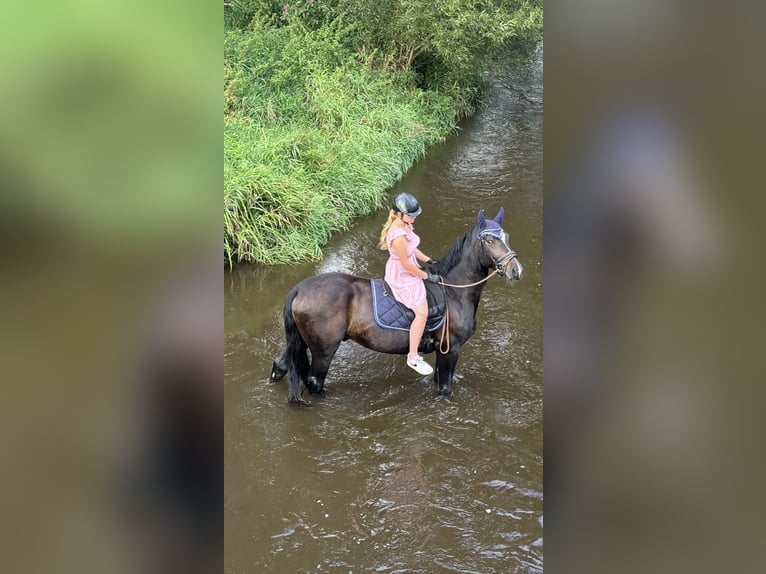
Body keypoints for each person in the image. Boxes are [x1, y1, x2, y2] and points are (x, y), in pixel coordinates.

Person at [378, 192, 440, 375]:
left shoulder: (406, 225)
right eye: (411, 215)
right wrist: (426, 276)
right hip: (403, 275)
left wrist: (429, 260)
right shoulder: (397, 235)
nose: (414, 218)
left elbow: (412, 249)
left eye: (414, 215)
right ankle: (413, 356)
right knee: (422, 313)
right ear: (398, 213)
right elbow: (405, 264)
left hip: (409, 266)